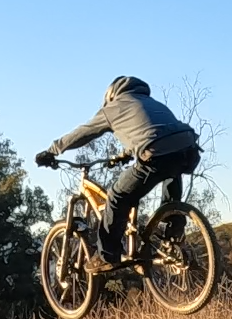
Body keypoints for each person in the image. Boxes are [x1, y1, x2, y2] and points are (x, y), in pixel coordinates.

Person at [35, 76, 201, 272]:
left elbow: (83, 133)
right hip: (188, 149)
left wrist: (53, 150)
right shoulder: (150, 102)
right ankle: (172, 234)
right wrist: (125, 154)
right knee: (171, 173)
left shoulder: (113, 107)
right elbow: (149, 129)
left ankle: (107, 255)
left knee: (117, 196)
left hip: (155, 152)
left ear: (111, 95)